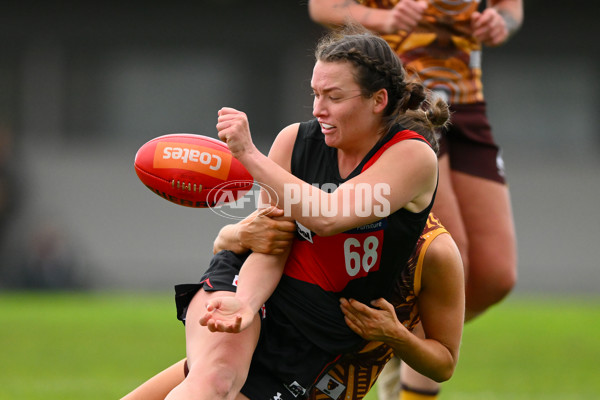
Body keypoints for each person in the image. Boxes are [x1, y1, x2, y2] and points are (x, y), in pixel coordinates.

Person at [163, 29, 461, 400]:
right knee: (215, 381)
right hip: (254, 287)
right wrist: (247, 303)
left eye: (334, 97)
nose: (318, 109)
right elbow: (271, 243)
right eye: (315, 94)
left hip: (314, 338)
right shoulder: (295, 142)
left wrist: (249, 155)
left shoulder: (412, 159)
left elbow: (329, 216)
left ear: (378, 100)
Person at [307, 1, 522, 399]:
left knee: (495, 277)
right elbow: (323, 7)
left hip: (467, 99)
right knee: (444, 258)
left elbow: (512, 10)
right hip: (401, 96)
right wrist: (382, 19)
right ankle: (406, 360)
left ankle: (396, 339)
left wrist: (501, 24)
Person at [121, 210, 463, 400]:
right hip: (258, 313)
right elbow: (234, 239)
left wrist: (396, 335)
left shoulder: (432, 250)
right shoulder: (328, 186)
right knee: (214, 381)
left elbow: (443, 364)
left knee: (210, 381)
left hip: (316, 369)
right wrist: (236, 235)